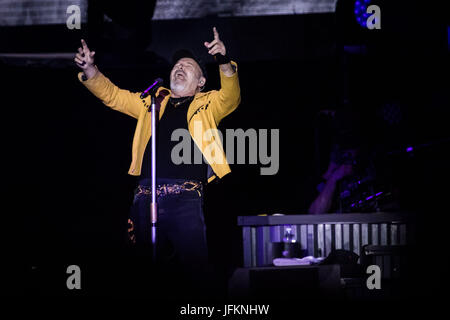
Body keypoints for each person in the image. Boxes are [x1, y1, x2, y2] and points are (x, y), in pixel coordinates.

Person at [74, 27, 240, 297]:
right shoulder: (151, 102)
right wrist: (91, 71)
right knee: (140, 273)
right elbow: (113, 96)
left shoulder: (209, 102)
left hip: (185, 199)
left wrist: (223, 60)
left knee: (195, 272)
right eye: (177, 65)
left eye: (188, 66)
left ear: (200, 82)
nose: (180, 68)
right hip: (144, 198)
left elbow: (232, 95)